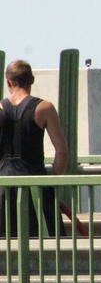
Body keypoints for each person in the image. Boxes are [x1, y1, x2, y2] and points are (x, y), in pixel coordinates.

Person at [0, 60, 68, 237]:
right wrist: (52, 177)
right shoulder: (44, 108)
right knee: (48, 244)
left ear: (8, 82)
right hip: (35, 186)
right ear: (31, 80)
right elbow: (62, 151)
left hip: (3, 185)